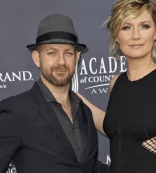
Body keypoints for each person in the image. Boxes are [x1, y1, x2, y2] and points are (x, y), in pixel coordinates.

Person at [78, 0, 156, 173]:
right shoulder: (116, 82)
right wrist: (74, 98)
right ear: (116, 36)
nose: (136, 36)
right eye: (126, 27)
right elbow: (119, 129)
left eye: (144, 26)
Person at [0, 14, 109, 173]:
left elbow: (88, 167)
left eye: (68, 53)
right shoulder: (15, 112)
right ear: (37, 58)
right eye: (52, 53)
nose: (61, 62)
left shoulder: (84, 111)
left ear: (77, 58)